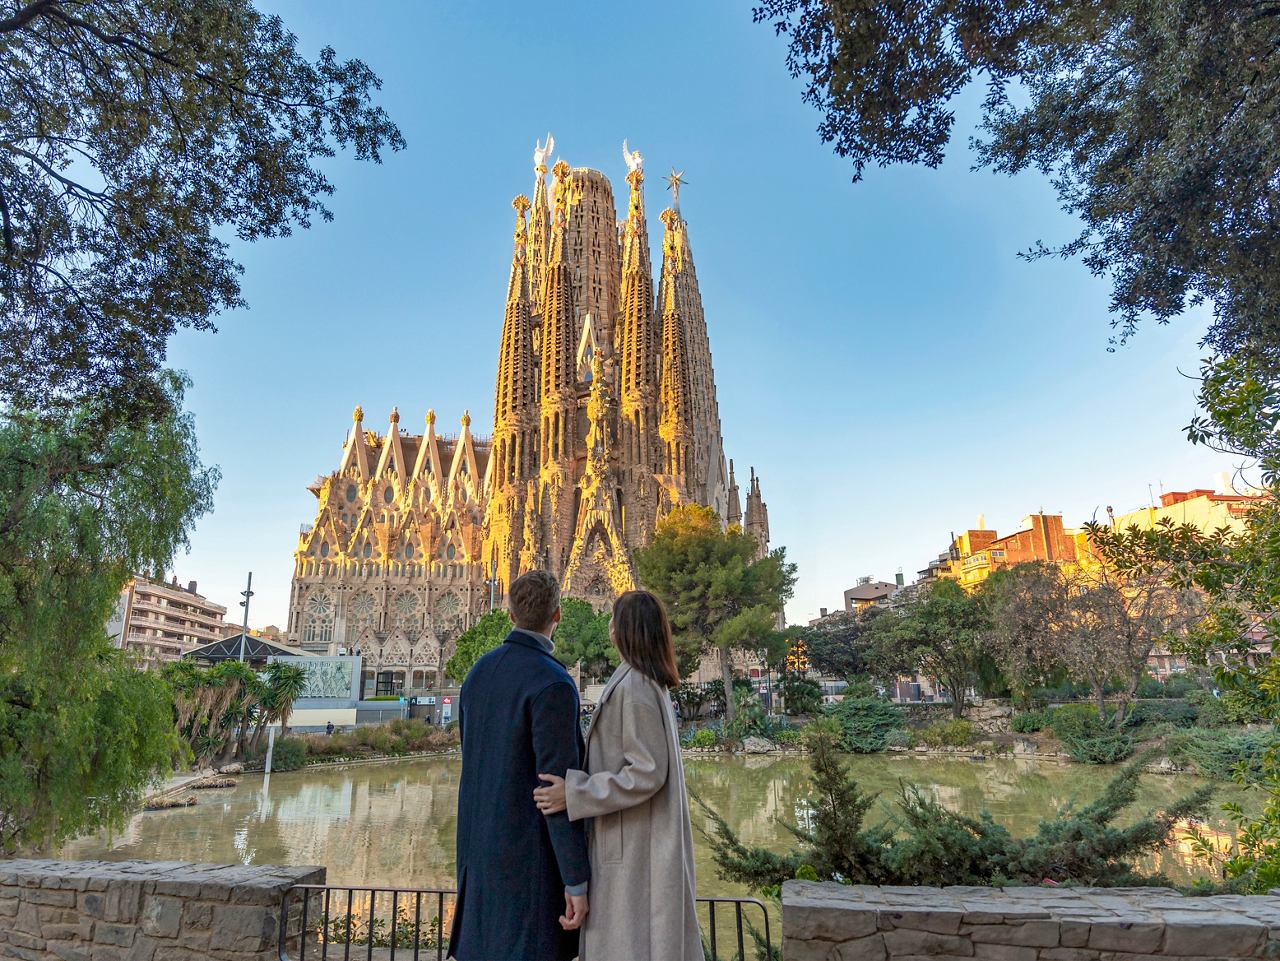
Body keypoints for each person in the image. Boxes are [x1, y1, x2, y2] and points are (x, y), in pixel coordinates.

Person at [533, 590, 703, 961]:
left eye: (614, 618)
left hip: (636, 851)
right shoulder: (640, 680)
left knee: (632, 943)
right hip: (635, 842)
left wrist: (575, 793)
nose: (608, 625)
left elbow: (647, 771)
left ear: (626, 629)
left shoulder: (636, 688)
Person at [449, 571, 590, 961]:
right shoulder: (553, 683)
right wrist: (576, 879)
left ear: (510, 615)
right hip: (529, 873)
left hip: (477, 866)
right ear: (557, 615)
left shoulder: (476, 675)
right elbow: (554, 793)